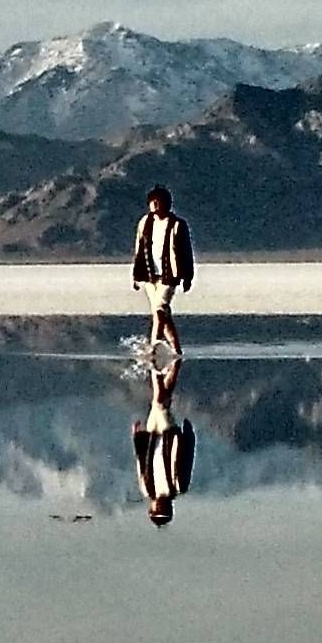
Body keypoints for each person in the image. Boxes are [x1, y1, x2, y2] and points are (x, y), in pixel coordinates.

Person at [127, 184, 194, 357]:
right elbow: (139, 249)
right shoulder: (145, 223)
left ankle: (153, 347)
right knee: (163, 314)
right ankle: (177, 350)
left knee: (160, 309)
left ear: (168, 203)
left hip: (169, 275)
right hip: (150, 275)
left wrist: (188, 276)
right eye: (153, 202)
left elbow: (186, 252)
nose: (156, 205)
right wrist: (135, 275)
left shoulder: (178, 225)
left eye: (159, 202)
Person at [129, 352, 194, 526]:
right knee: (160, 401)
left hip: (151, 436)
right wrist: (188, 435)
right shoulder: (178, 486)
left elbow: (141, 463)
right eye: (163, 510)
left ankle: (169, 362)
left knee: (160, 399)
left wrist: (137, 437)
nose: (159, 507)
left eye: (157, 510)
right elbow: (187, 459)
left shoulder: (147, 489)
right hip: (168, 436)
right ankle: (156, 363)